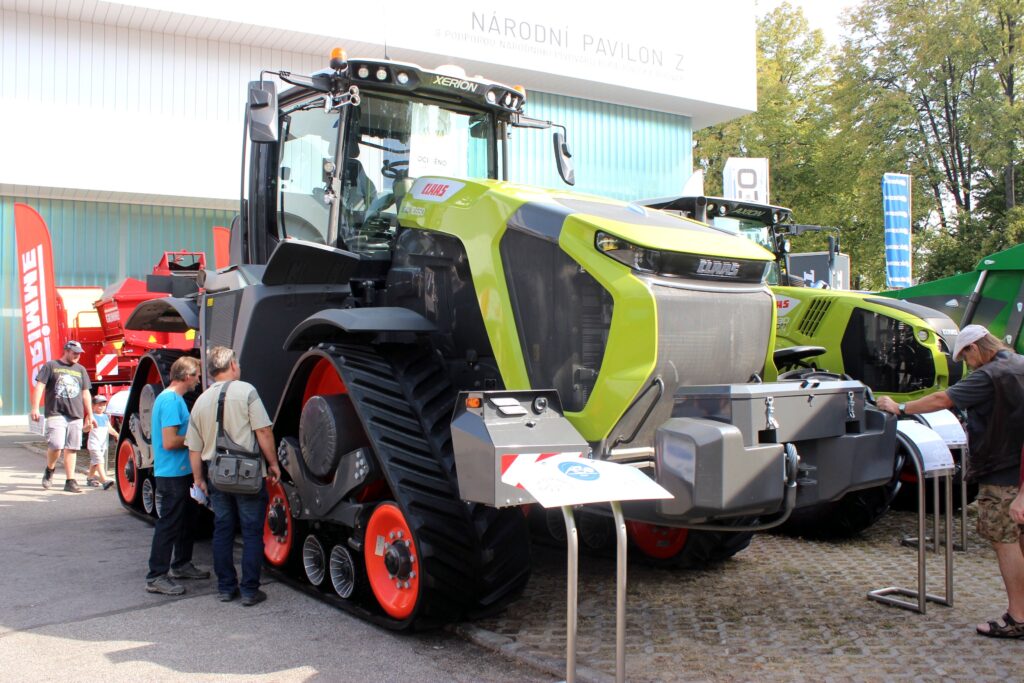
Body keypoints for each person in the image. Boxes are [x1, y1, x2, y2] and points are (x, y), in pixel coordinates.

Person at [877, 324, 1024, 638]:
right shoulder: (1020, 364)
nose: (967, 366)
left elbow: (944, 399)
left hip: (1002, 472)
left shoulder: (989, 375)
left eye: (965, 358)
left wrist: (900, 407)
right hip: (1020, 471)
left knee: (1005, 541)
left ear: (975, 349)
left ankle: (1017, 618)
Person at [186, 346, 281, 606]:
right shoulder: (247, 391)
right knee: (251, 532)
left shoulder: (201, 400)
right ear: (233, 366)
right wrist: (273, 463)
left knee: (223, 531)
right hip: (249, 475)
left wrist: (198, 479)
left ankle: (226, 588)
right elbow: (262, 431)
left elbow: (194, 447)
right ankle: (250, 590)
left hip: (217, 476)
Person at [145, 356, 210, 596]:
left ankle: (181, 564)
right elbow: (170, 441)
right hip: (173, 473)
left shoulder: (172, 399)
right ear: (186, 376)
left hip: (178, 472)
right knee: (170, 524)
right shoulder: (171, 401)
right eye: (196, 376)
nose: (198, 381)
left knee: (185, 520)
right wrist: (198, 438)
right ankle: (156, 576)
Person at [30, 340, 97, 493]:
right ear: (66, 350)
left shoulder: (81, 370)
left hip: (76, 414)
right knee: (56, 444)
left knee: (72, 448)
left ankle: (70, 481)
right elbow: (40, 386)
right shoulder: (51, 366)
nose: (77, 356)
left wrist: (90, 415)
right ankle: (50, 469)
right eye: (74, 353)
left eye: (79, 353)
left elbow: (86, 393)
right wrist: (34, 408)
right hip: (56, 412)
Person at [84, 394, 117, 489]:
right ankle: (104, 480)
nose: (101, 407)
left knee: (95, 462)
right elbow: (84, 429)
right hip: (94, 444)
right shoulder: (91, 417)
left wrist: (116, 434)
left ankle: (90, 478)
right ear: (93, 406)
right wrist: (88, 427)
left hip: (102, 444)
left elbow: (109, 429)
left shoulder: (106, 417)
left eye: (103, 405)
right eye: (99, 405)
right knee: (99, 460)